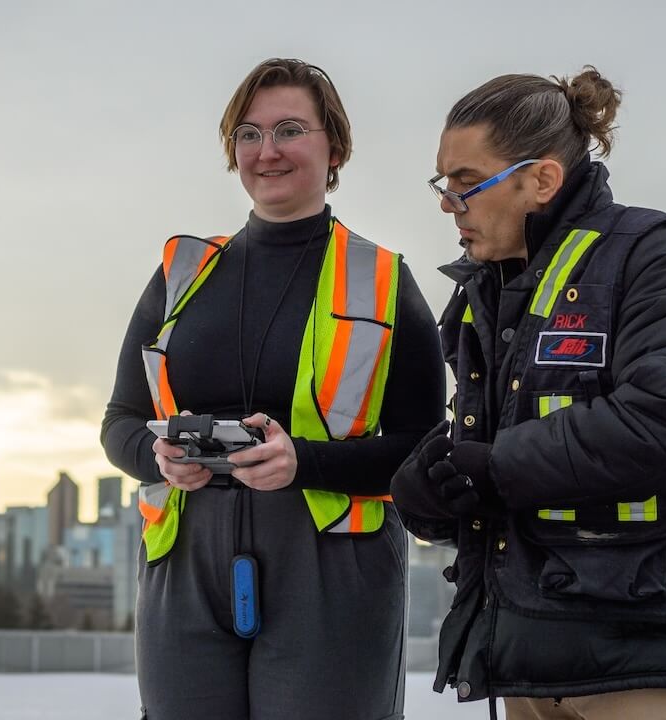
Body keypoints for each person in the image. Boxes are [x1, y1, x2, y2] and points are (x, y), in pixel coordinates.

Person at [391, 67, 666, 719]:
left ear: (540, 180)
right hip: (527, 655)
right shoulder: (488, 294)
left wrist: (495, 468)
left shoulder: (658, 257)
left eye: (465, 183)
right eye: (443, 183)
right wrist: (427, 486)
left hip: (650, 662)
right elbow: (498, 435)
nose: (446, 203)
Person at [101, 57, 445, 720]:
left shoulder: (381, 280)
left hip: (330, 569)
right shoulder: (182, 272)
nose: (268, 151)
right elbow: (120, 420)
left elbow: (425, 451)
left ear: (334, 146)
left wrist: (302, 462)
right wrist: (158, 459)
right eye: (249, 134)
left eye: (290, 129)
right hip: (186, 566)